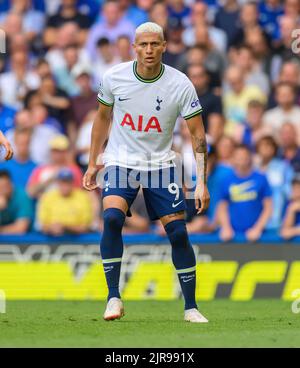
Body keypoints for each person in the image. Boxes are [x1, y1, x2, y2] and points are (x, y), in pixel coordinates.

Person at [83, 22, 210, 323]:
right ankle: (114, 297)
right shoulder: (114, 77)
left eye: (155, 44)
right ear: (134, 47)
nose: (149, 50)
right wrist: (92, 162)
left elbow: (198, 135)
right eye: (144, 45)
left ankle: (191, 307)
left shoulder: (180, 84)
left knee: (178, 233)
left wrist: (201, 182)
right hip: (120, 160)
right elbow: (102, 120)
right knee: (112, 218)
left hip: (160, 164)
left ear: (165, 46)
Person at [217, 144, 272, 242]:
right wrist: (226, 227)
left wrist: (258, 229)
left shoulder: (261, 178)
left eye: (244, 157)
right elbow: (222, 207)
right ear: (233, 158)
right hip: (232, 236)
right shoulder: (226, 180)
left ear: (250, 158)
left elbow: (268, 207)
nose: (241, 160)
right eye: (238, 157)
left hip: (257, 237)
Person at [38, 168, 93, 236]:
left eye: (67, 182)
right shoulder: (48, 197)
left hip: (77, 239)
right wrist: (51, 228)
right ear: (58, 183)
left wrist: (65, 227)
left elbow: (86, 227)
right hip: (52, 238)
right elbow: (43, 225)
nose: (65, 186)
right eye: (62, 182)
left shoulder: (82, 197)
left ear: (72, 183)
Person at [0, 169, 33, 234]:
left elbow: (21, 228)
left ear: (11, 184)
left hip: (21, 241)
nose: (2, 190)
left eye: (5, 186)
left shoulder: (22, 196)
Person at [281, 175, 300, 240]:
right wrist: (291, 210)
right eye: (294, 187)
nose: (296, 190)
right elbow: (285, 232)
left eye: (299, 187)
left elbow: (289, 232)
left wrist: (294, 231)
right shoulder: (289, 204)